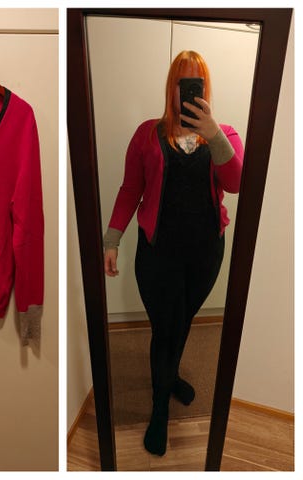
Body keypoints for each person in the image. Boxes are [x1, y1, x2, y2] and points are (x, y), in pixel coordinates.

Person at [103, 50, 244, 456]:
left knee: (182, 323)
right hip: (158, 254)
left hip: (204, 255)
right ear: (172, 87)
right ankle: (160, 406)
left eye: (197, 81)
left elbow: (236, 183)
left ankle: (169, 377)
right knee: (165, 329)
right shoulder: (147, 134)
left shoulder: (225, 134)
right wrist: (111, 240)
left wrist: (213, 133)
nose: (189, 89)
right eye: (183, 82)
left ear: (206, 88)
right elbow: (130, 189)